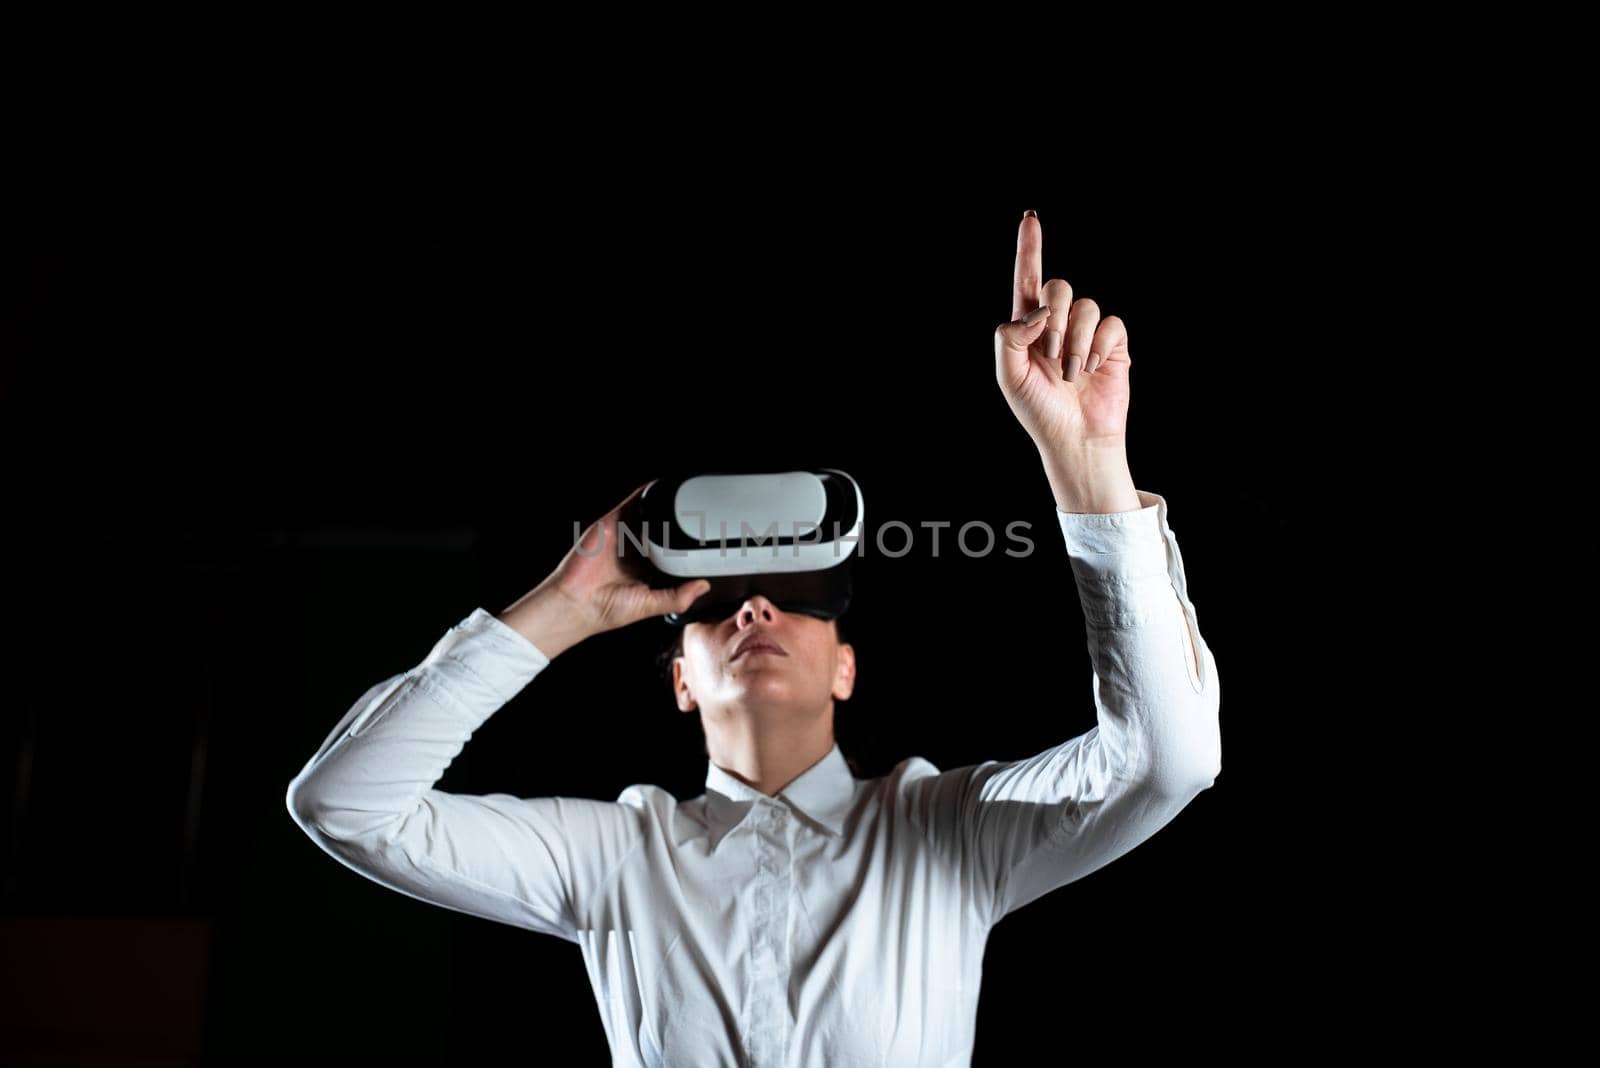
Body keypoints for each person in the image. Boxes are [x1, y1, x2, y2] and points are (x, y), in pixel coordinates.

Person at [285, 210, 1222, 1066]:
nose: (755, 610)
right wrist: (562, 607)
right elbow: (345, 809)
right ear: (680, 681)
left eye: (797, 597)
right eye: (720, 600)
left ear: (847, 667)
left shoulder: (951, 833)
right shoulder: (616, 858)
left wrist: (1089, 464)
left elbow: (1166, 762)